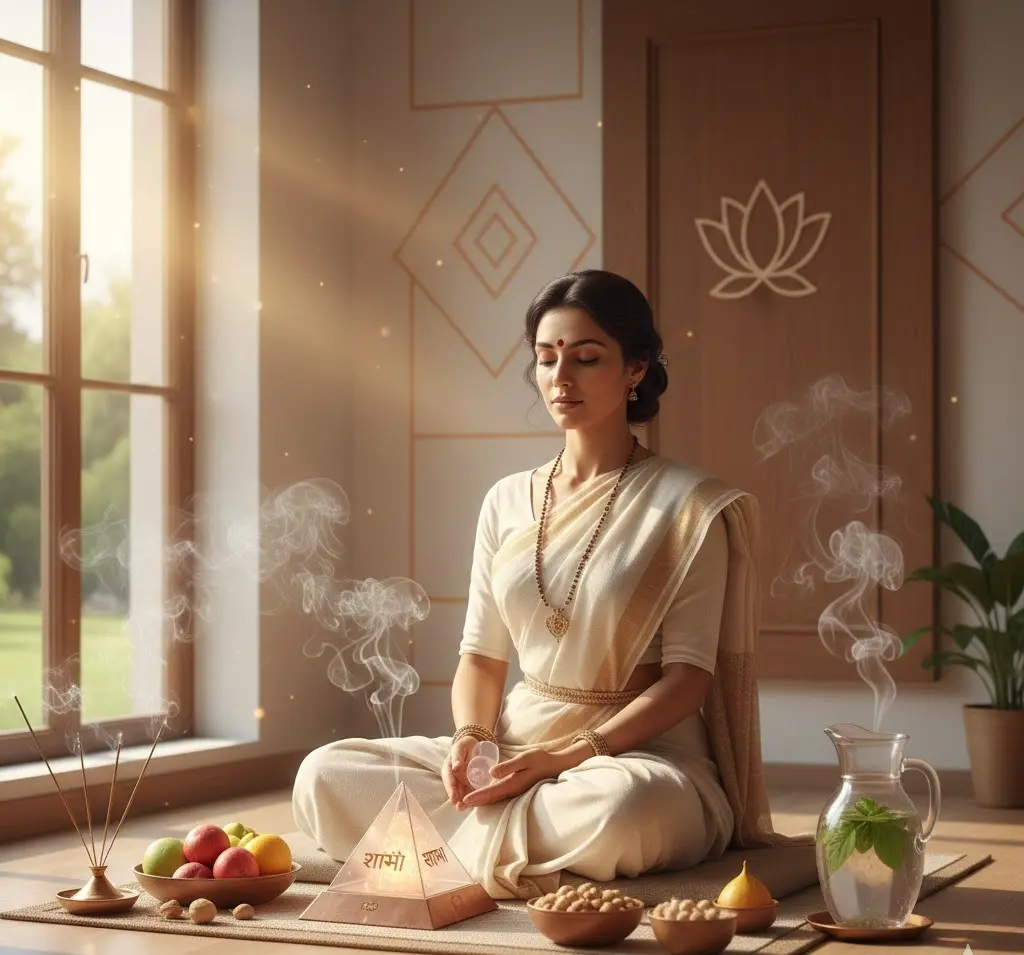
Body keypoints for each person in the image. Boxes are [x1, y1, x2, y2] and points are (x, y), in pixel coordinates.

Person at [292, 269, 798, 901]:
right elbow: (479, 657)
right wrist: (472, 743)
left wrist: (566, 759)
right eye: (547, 358)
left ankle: (431, 855)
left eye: (587, 358)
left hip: (636, 759)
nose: (562, 378)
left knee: (620, 811)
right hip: (513, 745)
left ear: (635, 369)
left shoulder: (691, 507)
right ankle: (522, 855)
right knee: (326, 774)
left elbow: (687, 683)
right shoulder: (507, 499)